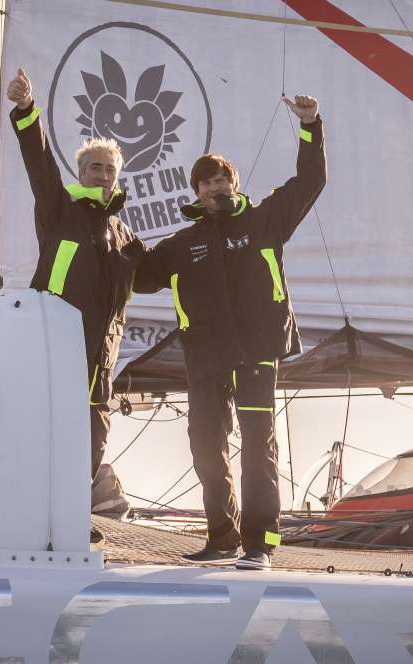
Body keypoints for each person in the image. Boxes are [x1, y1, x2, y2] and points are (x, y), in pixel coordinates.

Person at [134, 95, 327, 570]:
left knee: (258, 444)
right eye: (207, 182)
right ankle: (220, 536)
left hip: (257, 352)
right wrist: (110, 230)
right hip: (205, 358)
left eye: (223, 179)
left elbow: (310, 181)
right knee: (205, 444)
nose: (216, 186)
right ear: (197, 192)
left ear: (234, 184)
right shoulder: (181, 244)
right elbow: (139, 274)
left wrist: (309, 125)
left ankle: (259, 544)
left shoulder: (264, 220)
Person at [6, 67, 146, 481]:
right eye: (95, 168)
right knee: (43, 441)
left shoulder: (124, 237)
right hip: (54, 349)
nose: (103, 175)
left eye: (109, 170)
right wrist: (27, 109)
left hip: (98, 368)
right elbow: (39, 161)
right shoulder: (59, 209)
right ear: (81, 174)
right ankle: (35, 528)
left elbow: (164, 268)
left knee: (89, 447)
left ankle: (71, 527)